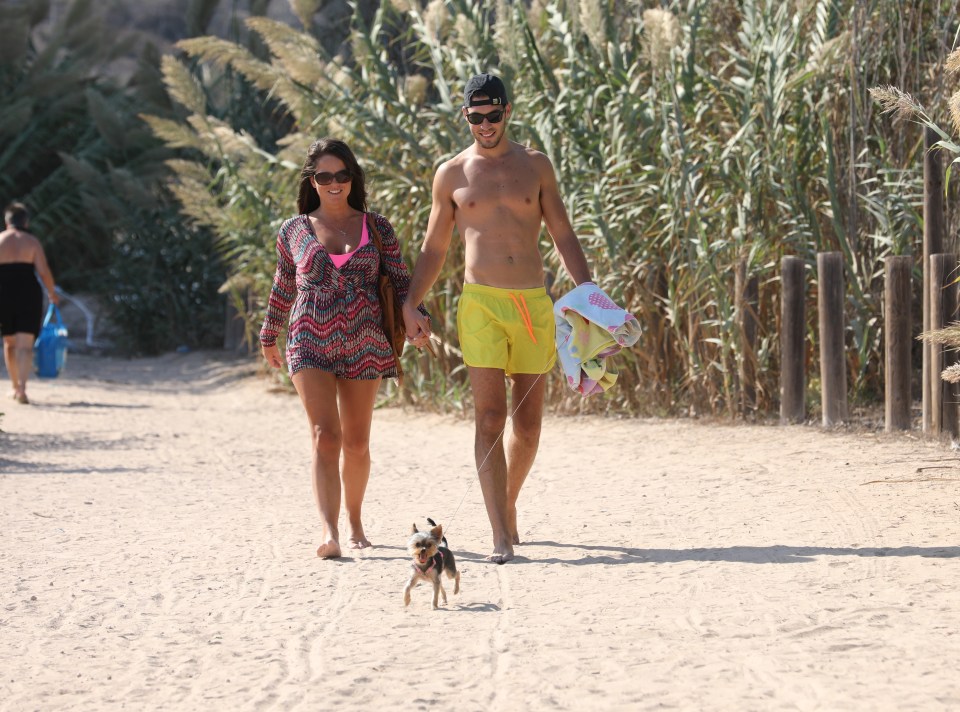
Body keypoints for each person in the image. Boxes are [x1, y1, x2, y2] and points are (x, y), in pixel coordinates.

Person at [402, 74, 593, 563]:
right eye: (474, 117)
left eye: (492, 115)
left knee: (527, 427)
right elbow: (434, 247)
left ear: (507, 111)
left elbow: (563, 232)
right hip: (481, 305)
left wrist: (588, 294)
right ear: (464, 117)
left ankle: (506, 503)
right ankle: (500, 537)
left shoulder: (536, 166)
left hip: (532, 304)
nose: (484, 125)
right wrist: (410, 302)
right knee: (489, 417)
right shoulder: (451, 175)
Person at [260, 138, 425, 559]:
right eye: (324, 176)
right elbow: (284, 284)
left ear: (353, 178)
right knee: (324, 435)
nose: (334, 183)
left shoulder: (378, 226)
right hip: (308, 336)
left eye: (342, 175)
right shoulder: (293, 230)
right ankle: (329, 530)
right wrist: (268, 335)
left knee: (356, 442)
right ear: (312, 182)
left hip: (366, 340)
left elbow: (402, 282)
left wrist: (415, 316)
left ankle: (354, 521)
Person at [0, 202, 58, 405]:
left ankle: (14, 386)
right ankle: (23, 389)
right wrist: (52, 293)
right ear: (25, 221)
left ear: (7, 222)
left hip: (3, 294)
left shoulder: (0, 240)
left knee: (9, 343)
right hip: (28, 293)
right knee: (25, 345)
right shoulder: (32, 242)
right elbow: (44, 271)